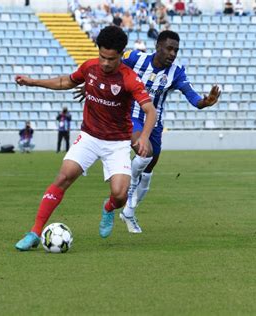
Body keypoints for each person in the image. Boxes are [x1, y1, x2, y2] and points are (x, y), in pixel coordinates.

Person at [14, 26, 157, 251]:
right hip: (89, 137)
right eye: (102, 56)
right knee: (64, 176)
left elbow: (150, 111)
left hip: (117, 143)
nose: (105, 63)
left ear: (121, 55)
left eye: (111, 59)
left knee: (120, 195)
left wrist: (144, 137)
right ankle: (34, 232)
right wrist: (32, 82)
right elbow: (65, 82)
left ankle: (109, 208)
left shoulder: (129, 79)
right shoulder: (90, 67)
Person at [75, 31, 221, 233]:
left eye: (176, 50)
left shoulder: (177, 72)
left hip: (154, 124)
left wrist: (205, 103)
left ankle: (129, 211)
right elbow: (107, 69)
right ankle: (125, 181)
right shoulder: (135, 58)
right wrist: (89, 86)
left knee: (148, 173)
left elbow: (193, 97)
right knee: (145, 152)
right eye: (169, 48)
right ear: (158, 47)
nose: (172, 53)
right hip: (132, 116)